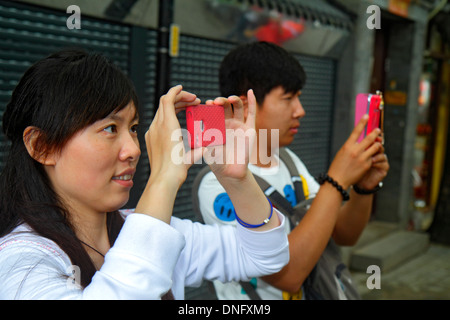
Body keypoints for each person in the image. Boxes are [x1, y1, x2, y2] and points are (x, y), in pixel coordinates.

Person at [0, 49, 289, 299]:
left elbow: (266, 256)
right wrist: (162, 178)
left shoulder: (151, 230)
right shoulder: (20, 261)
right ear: (41, 146)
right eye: (110, 129)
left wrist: (236, 180)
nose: (133, 150)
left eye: (134, 128)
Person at [196, 41, 390, 299]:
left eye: (298, 97)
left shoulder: (287, 160)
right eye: (288, 98)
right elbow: (287, 275)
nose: (300, 110)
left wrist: (364, 188)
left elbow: (344, 234)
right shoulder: (217, 184)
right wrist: (337, 181)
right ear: (247, 105)